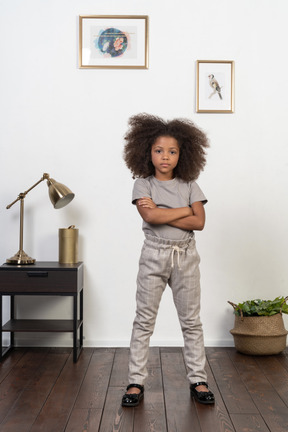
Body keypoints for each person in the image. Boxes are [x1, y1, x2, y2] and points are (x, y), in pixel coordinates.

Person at [121, 113, 215, 407]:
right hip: (154, 254)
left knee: (191, 321)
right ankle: (136, 381)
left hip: (186, 256)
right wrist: (184, 210)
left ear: (182, 154)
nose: (165, 156)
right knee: (144, 320)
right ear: (147, 152)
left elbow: (199, 222)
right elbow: (150, 216)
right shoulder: (143, 185)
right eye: (159, 150)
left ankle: (198, 379)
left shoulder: (190, 184)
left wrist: (167, 210)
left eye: (172, 151)